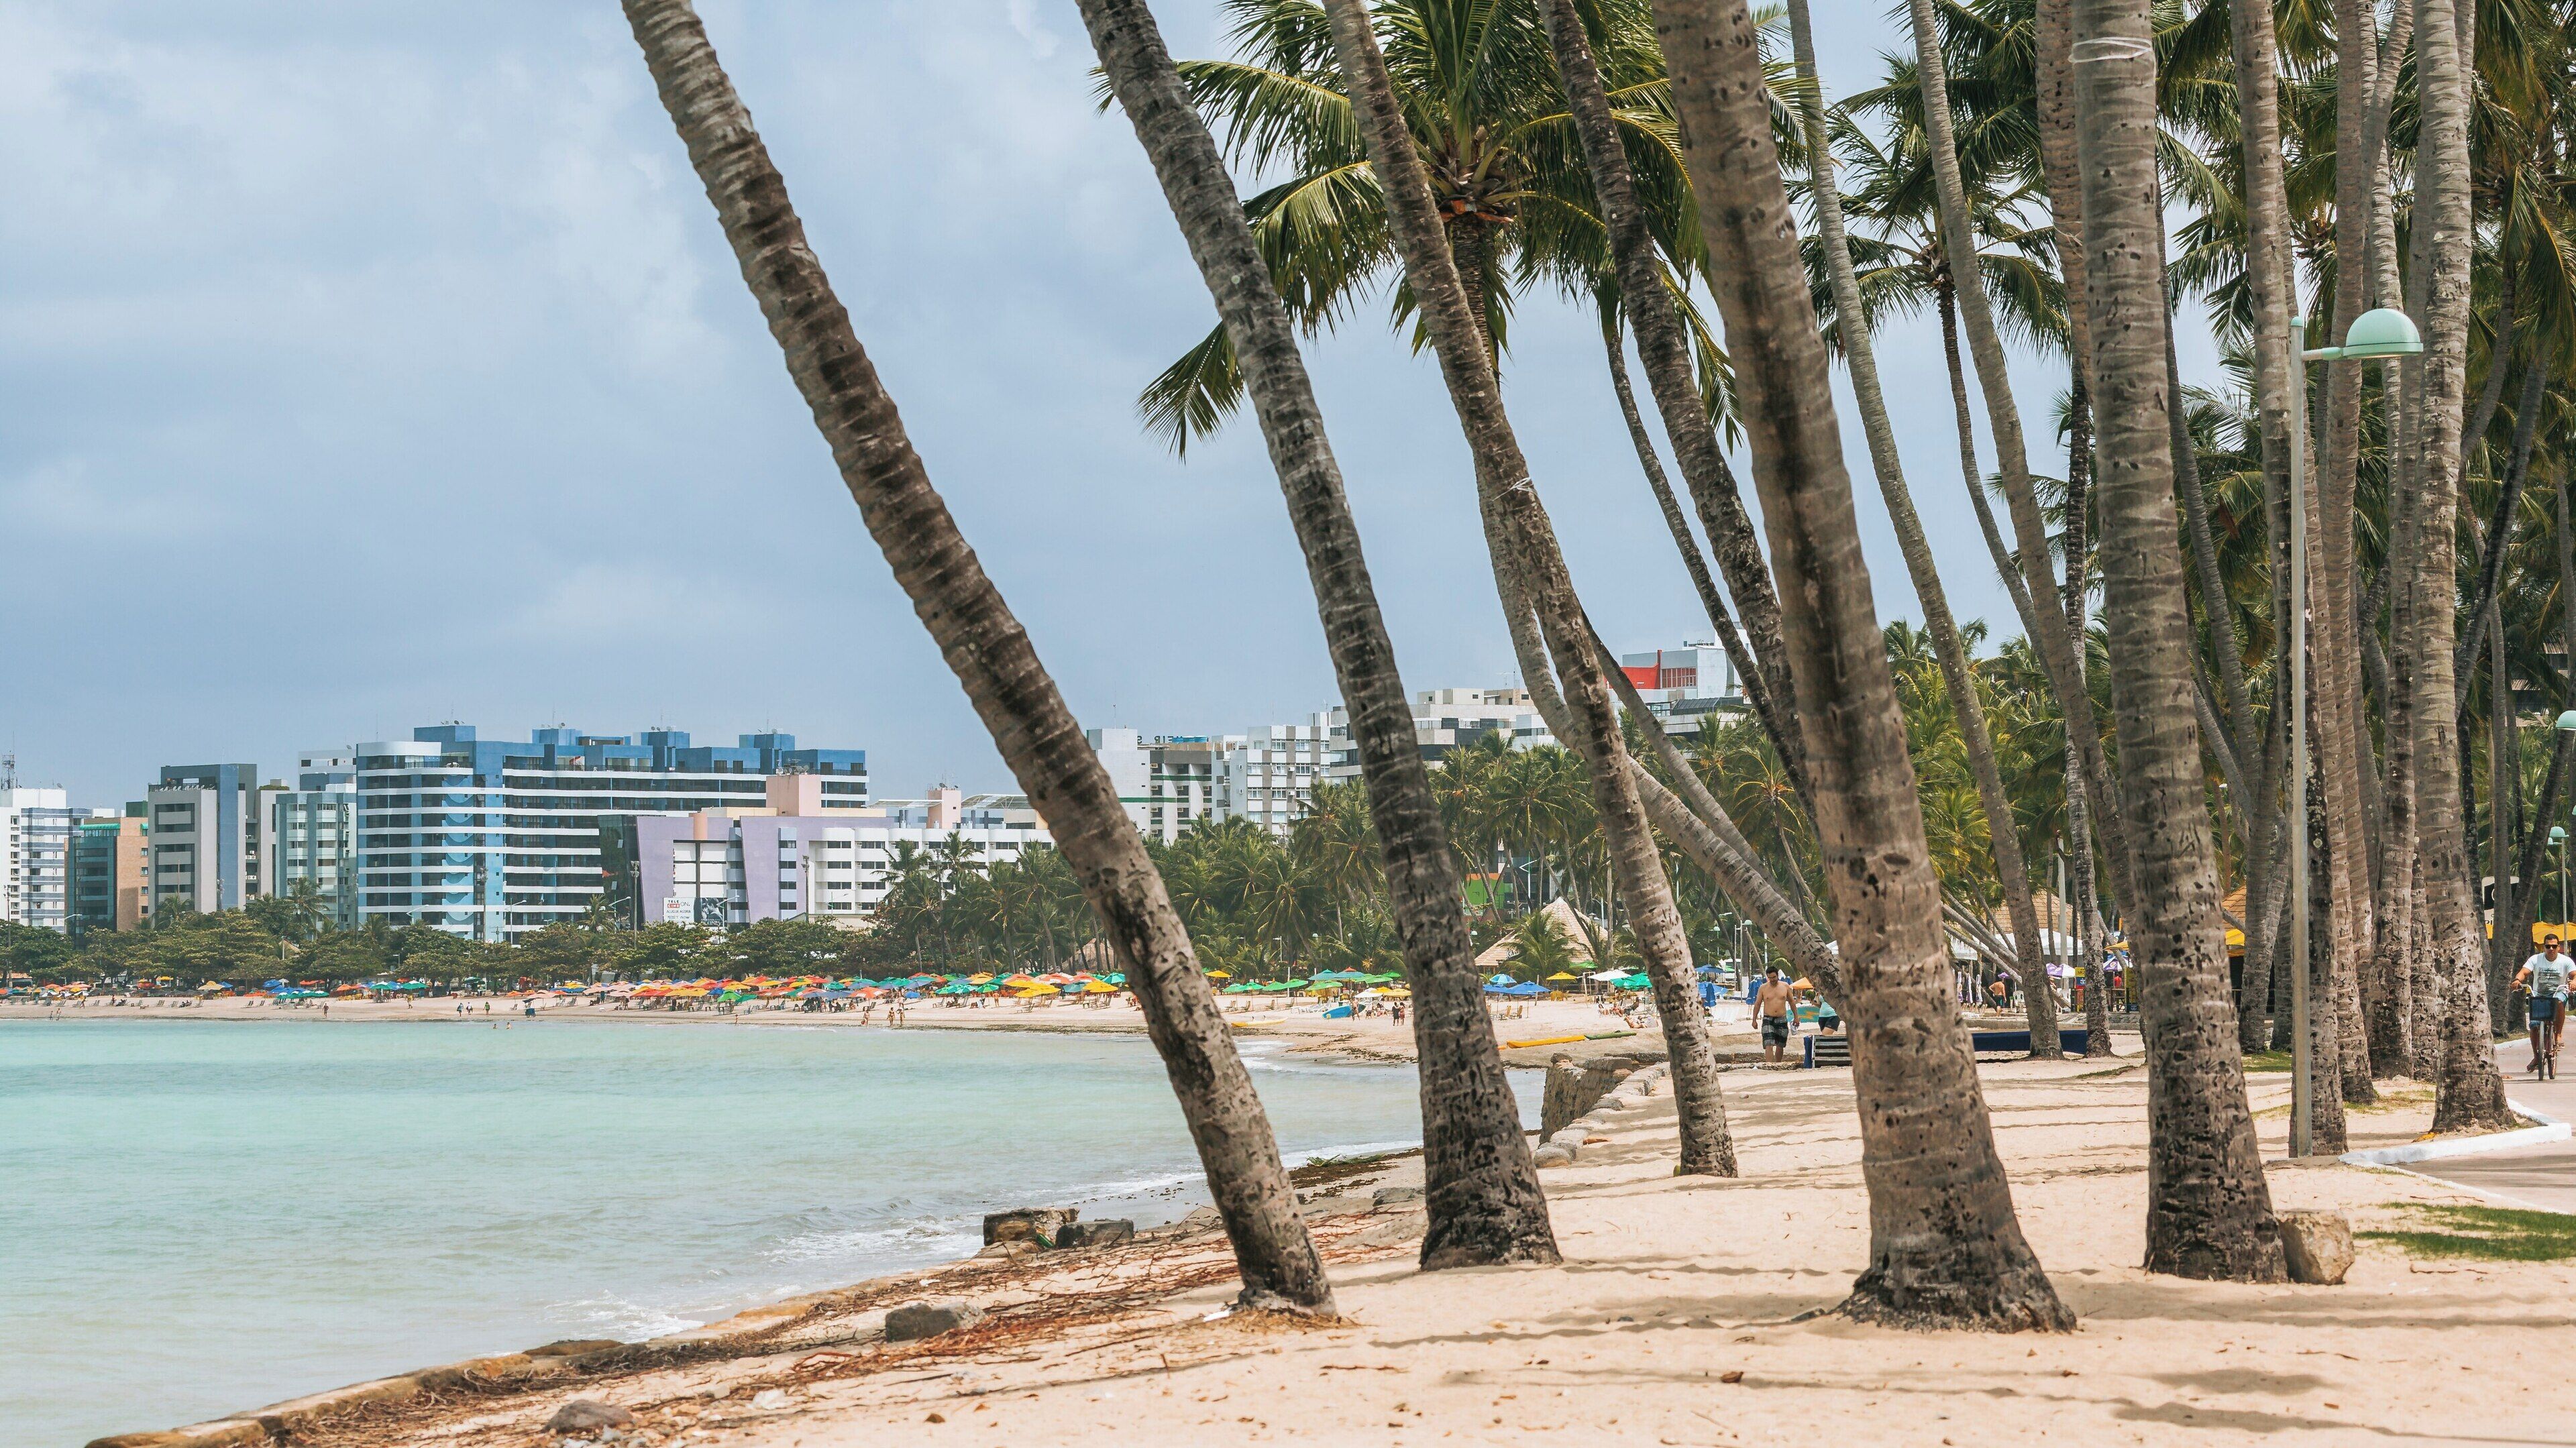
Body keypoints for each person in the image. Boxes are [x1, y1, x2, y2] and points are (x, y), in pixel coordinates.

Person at [2513, 936, 2571, 1077]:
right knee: (2534, 1026)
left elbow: (2574, 974)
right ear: (2544, 947)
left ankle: (2558, 1034)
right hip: (2539, 994)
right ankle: (2537, 1057)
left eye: (2554, 946)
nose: (2551, 949)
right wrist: (2517, 979)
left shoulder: (2566, 961)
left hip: (2558, 992)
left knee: (2558, 1001)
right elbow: (2524, 972)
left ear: (2559, 947)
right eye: (2548, 946)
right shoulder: (2536, 959)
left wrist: (2574, 982)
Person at [1756, 967, 1794, 1066]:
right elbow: (1757, 1004)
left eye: (1774, 977)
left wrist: (1796, 1017)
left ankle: (1778, 1065)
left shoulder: (1785, 986)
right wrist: (1754, 1020)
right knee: (1769, 1043)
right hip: (1768, 1018)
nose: (1772, 980)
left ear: (1777, 975)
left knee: (1780, 1045)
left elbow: (1792, 1002)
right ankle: (1769, 1065)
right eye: (1770, 978)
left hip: (1782, 1018)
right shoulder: (1763, 988)